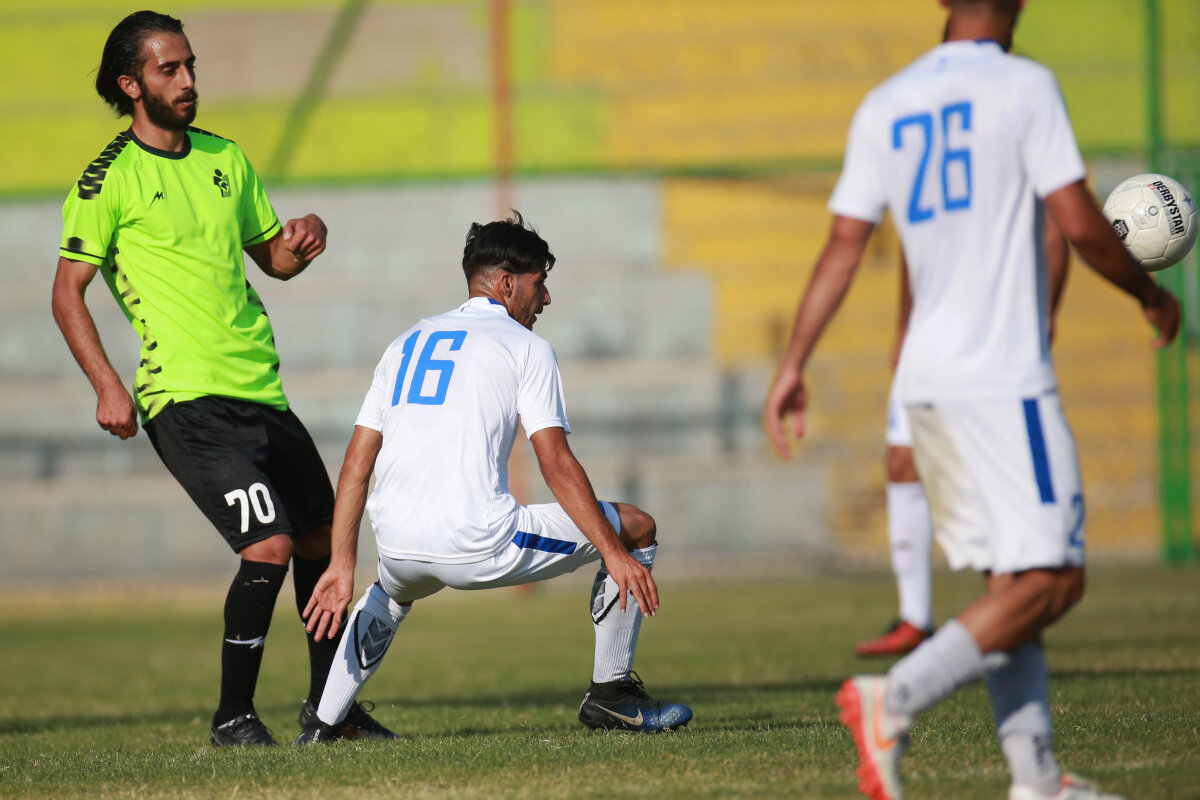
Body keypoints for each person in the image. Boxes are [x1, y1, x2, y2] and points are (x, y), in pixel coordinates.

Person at [763, 1, 1179, 798]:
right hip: (1001, 376)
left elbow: (844, 245)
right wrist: (1151, 295)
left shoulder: (886, 103)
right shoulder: (1025, 86)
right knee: (1055, 580)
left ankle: (1036, 778)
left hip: (925, 385)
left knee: (1009, 582)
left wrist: (793, 362)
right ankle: (897, 698)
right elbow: (1077, 222)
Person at [51, 10, 394, 747]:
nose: (187, 80)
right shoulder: (108, 179)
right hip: (184, 396)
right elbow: (65, 292)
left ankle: (329, 711)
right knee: (267, 546)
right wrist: (107, 384)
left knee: (320, 538)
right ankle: (232, 716)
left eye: (190, 66)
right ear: (131, 84)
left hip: (259, 388)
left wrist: (306, 236)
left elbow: (273, 259)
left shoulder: (225, 158)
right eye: (169, 69)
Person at [295, 213, 693, 742]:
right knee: (637, 527)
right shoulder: (525, 346)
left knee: (389, 593)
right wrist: (614, 553)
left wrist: (342, 564)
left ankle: (322, 724)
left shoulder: (406, 341)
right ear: (507, 283)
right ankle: (612, 697)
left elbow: (355, 465)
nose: (545, 298)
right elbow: (556, 462)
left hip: (396, 545)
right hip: (476, 542)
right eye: (539, 283)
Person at [857, 216, 1069, 659]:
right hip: (929, 339)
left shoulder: (1017, 170)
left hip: (992, 341)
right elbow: (912, 244)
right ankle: (915, 619)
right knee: (903, 461)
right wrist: (903, 325)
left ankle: (1005, 615)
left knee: (991, 486)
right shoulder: (917, 174)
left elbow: (1058, 226)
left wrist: (1046, 307)